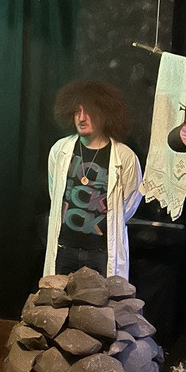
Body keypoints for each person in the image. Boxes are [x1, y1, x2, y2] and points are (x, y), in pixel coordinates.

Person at [44, 80, 142, 279]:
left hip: (101, 254)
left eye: (88, 111)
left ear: (104, 113)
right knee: (59, 297)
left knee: (104, 299)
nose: (81, 118)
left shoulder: (125, 157)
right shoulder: (60, 150)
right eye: (77, 111)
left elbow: (130, 203)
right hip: (65, 249)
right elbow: (55, 192)